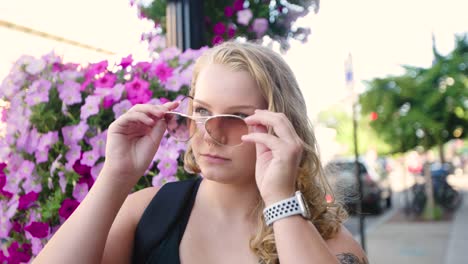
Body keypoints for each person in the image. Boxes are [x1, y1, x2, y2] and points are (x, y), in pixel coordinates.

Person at [34, 41, 368, 264]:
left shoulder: (328, 241)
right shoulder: (147, 212)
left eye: (237, 117)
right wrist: (115, 175)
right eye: (204, 111)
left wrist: (281, 200)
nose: (211, 133)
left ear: (282, 126)